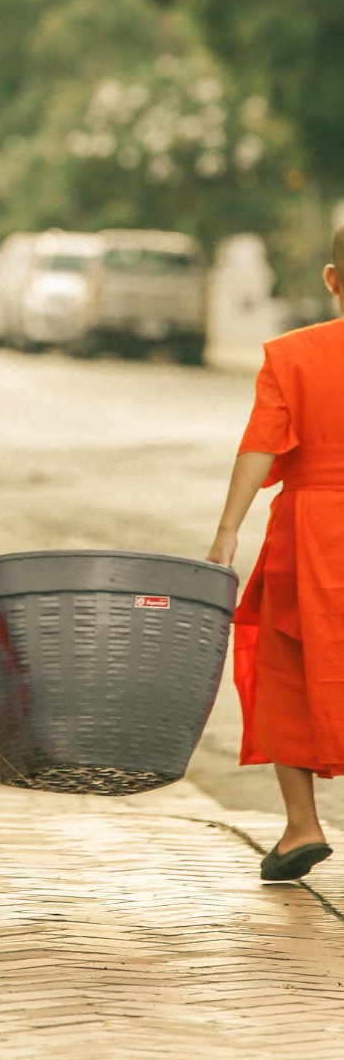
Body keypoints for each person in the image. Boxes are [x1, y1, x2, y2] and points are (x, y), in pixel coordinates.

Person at [209, 231, 344, 882]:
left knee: (287, 661)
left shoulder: (293, 355)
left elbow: (259, 443)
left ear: (330, 278)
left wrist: (227, 530)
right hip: (313, 519)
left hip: (311, 526)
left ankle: (301, 825)